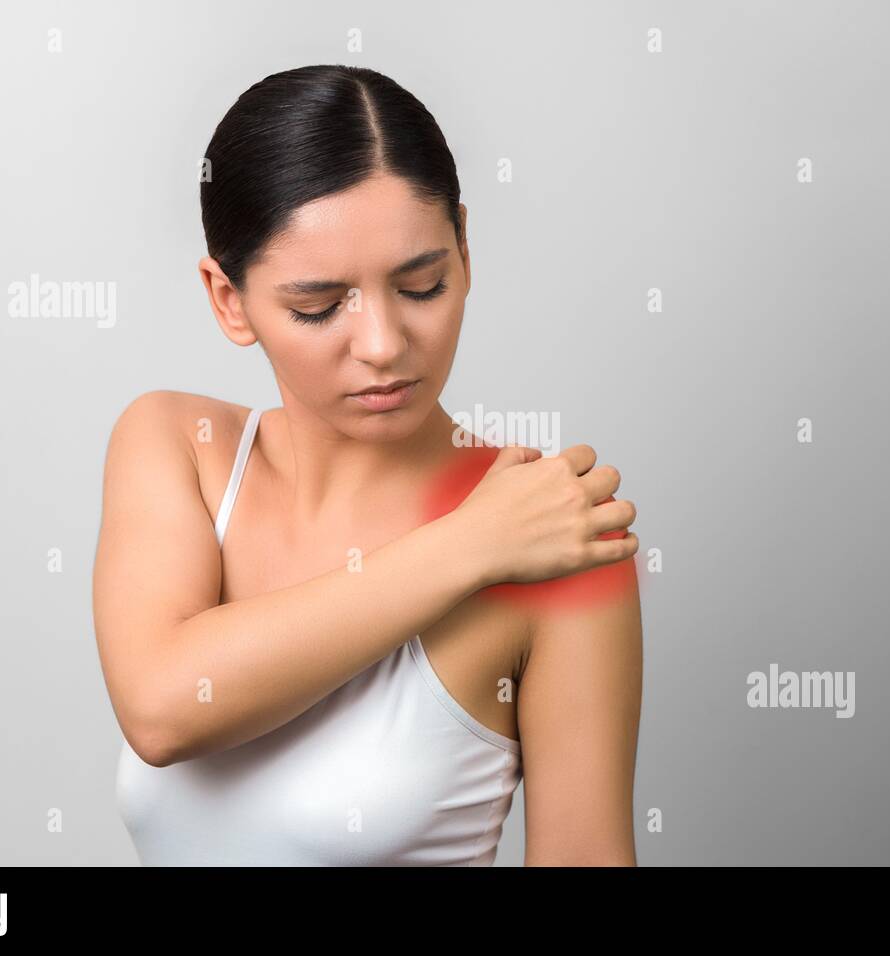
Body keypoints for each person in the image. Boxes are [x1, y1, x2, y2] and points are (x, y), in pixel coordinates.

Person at [92, 64, 642, 866]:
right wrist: (470, 546)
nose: (383, 345)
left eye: (423, 286)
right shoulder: (181, 448)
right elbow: (163, 709)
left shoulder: (559, 538)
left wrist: (500, 540)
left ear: (464, 245)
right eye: (319, 307)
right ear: (229, 300)